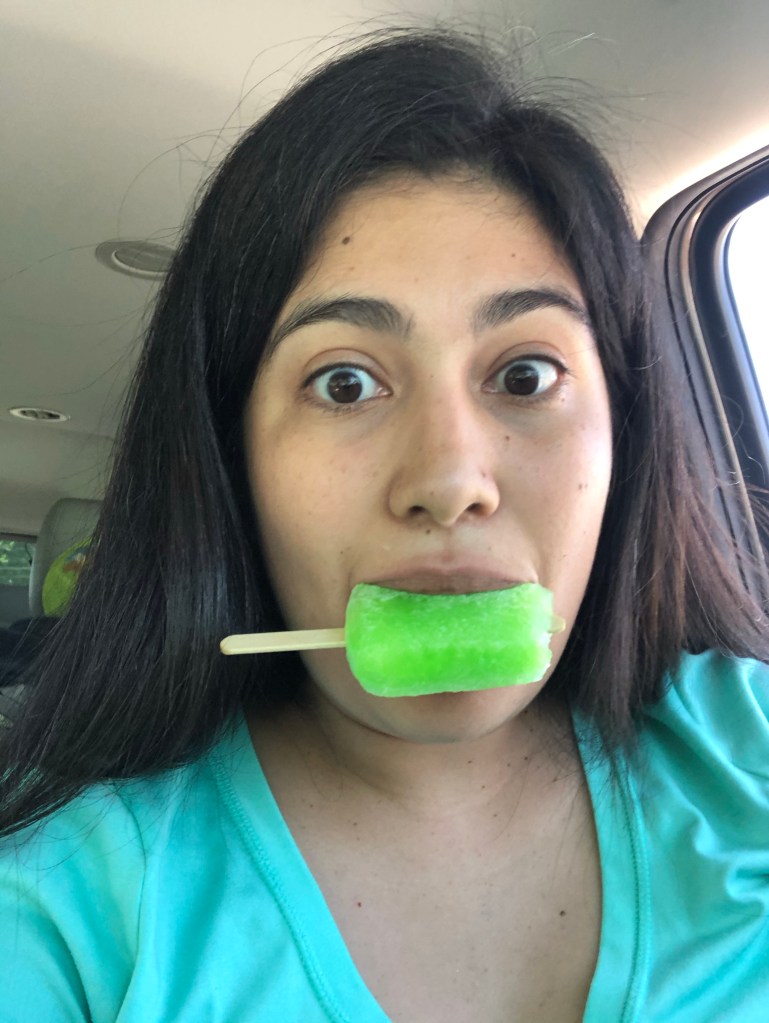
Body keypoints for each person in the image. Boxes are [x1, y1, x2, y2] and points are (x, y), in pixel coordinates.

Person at [1, 26, 768, 1023]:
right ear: (229, 456)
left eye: (525, 374)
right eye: (345, 383)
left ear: (625, 433)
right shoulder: (64, 906)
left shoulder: (747, 747)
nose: (449, 481)